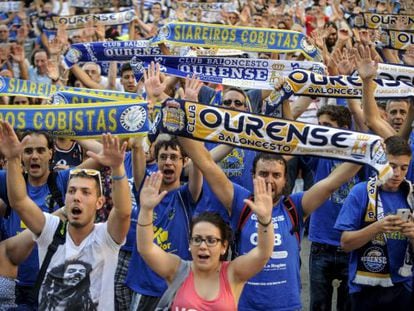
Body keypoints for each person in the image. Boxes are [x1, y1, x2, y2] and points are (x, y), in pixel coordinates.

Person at [178, 135, 362, 310]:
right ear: (253, 176)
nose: (269, 180)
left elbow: (332, 182)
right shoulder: (240, 202)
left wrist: (364, 151)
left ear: (284, 180)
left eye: (276, 175)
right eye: (263, 174)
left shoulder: (295, 206)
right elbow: (207, 165)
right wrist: (180, 127)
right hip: (245, 305)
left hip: (286, 306)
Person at [0, 121, 131, 310]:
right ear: (65, 198)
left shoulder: (106, 237)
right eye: (72, 191)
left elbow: (123, 212)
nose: (77, 197)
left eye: (86, 193)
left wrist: (118, 168)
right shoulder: (50, 228)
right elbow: (19, 202)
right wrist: (12, 159)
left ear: (99, 202)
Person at [137, 171, 274, 309]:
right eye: (197, 239)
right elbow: (146, 248)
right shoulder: (178, 270)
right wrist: (146, 210)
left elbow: (263, 253)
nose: (203, 245)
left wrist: (265, 220)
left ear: (224, 246)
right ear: (189, 243)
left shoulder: (233, 273)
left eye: (211, 240)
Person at [335, 136, 414, 310]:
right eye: (392, 166)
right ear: (380, 162)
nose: (397, 173)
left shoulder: (411, 195)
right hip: (365, 288)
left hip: (402, 285)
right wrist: (377, 227)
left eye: (404, 167)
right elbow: (345, 243)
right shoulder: (361, 192)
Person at [307, 105, 363, 311]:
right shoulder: (318, 154)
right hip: (321, 244)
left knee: (348, 307)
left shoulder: (360, 158)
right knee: (318, 306)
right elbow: (291, 134)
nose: (321, 130)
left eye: (327, 126)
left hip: (350, 245)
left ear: (344, 128)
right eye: (319, 125)